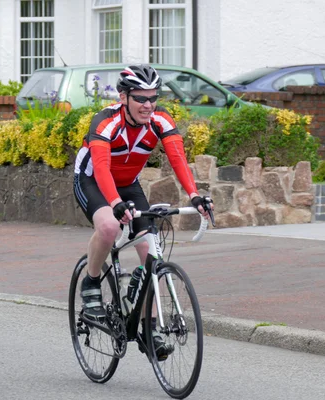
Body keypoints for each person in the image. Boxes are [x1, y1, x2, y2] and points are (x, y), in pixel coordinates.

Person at [72, 64, 213, 360]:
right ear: (124, 97)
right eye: (140, 98)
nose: (148, 105)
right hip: (93, 181)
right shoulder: (105, 122)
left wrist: (195, 195)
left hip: (129, 184)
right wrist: (114, 204)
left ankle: (149, 328)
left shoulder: (159, 119)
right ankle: (92, 280)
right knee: (109, 228)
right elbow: (100, 169)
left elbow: (177, 158)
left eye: (153, 98)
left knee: (152, 255)